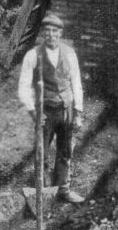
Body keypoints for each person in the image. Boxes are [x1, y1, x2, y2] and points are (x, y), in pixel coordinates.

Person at [18, 13, 85, 204]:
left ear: (60, 33)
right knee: (42, 153)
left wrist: (78, 113)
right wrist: (33, 112)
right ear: (43, 33)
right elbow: (23, 87)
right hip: (45, 112)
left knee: (65, 151)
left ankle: (63, 189)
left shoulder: (69, 54)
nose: (51, 35)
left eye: (55, 31)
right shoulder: (33, 55)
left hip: (66, 110)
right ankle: (43, 192)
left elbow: (76, 83)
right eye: (47, 31)